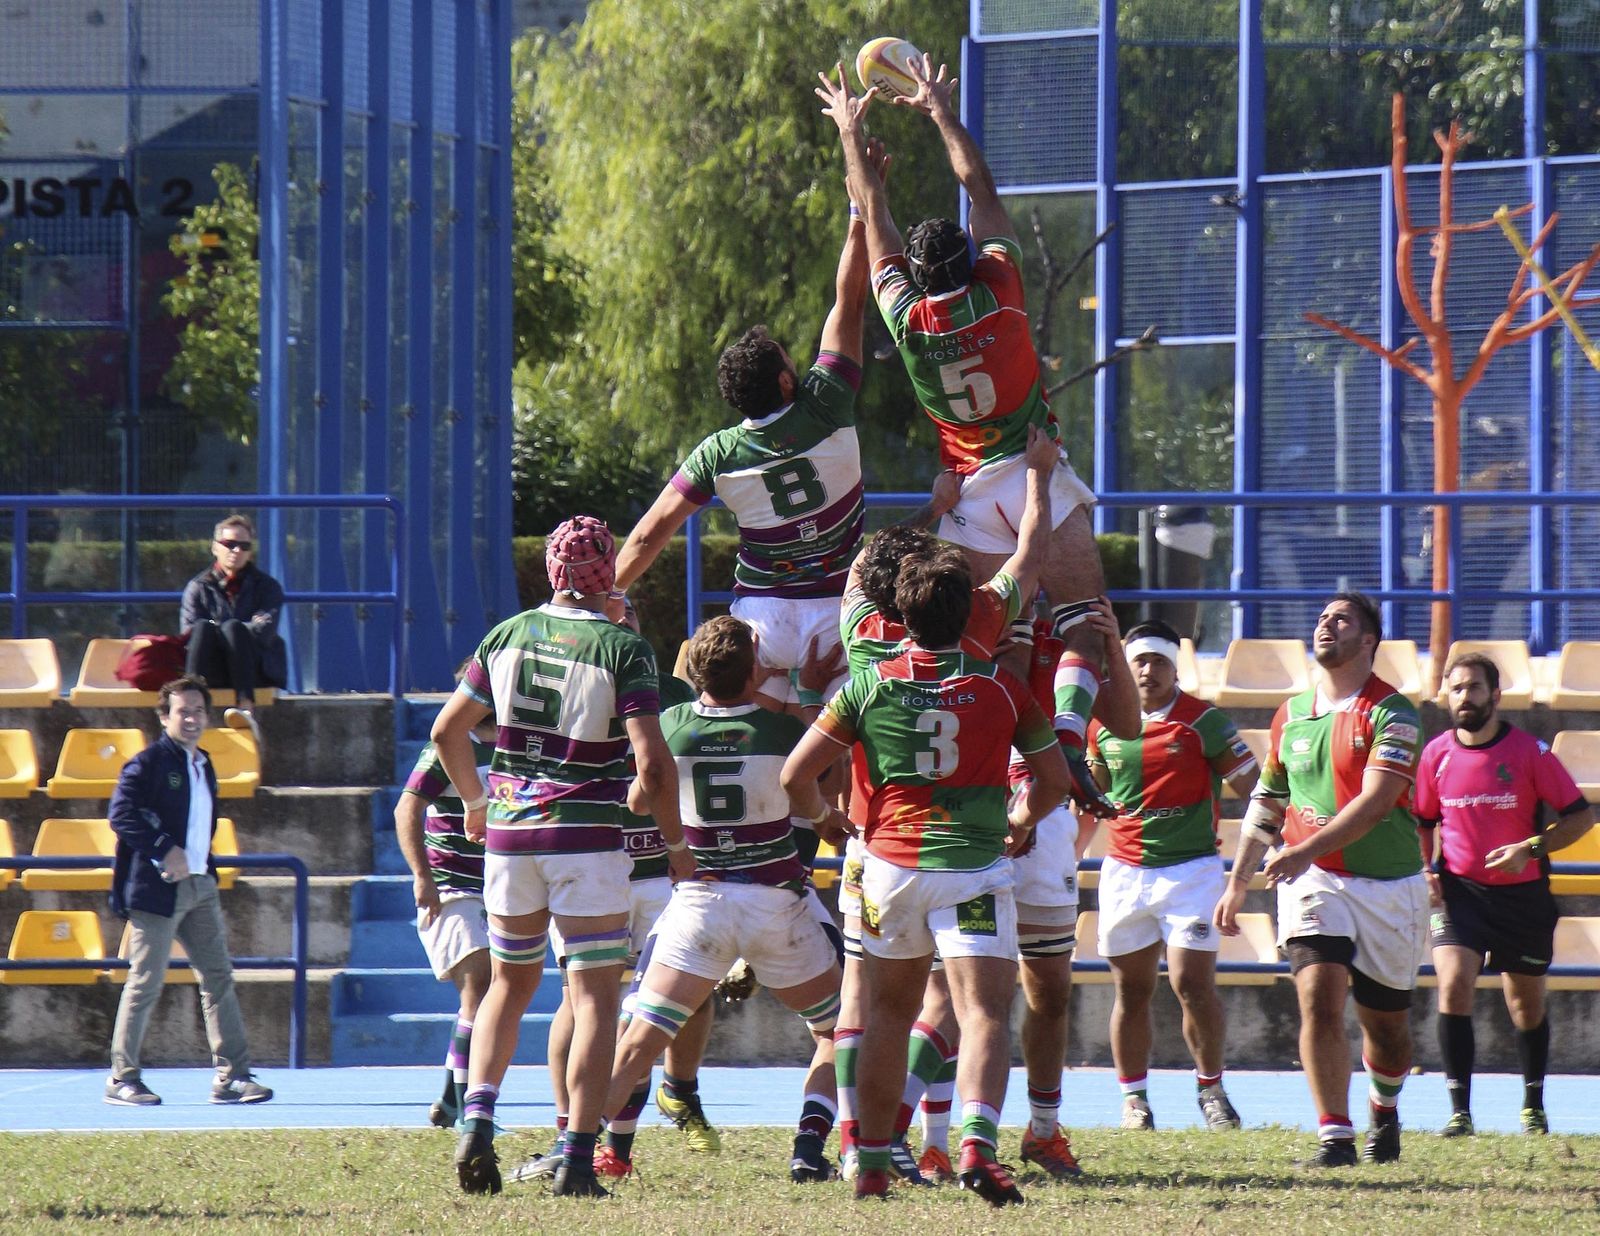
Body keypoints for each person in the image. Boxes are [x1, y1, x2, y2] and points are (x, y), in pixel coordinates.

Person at [816, 58, 1115, 815]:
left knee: (991, 640)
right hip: (1035, 462)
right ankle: (1069, 741)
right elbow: (980, 188)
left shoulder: (908, 325)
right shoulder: (1004, 292)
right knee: (1086, 619)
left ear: (917, 277)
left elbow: (874, 217)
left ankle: (1009, 774)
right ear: (974, 262)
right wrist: (939, 111)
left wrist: (853, 138)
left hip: (968, 493)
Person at [783, 552, 1072, 1206]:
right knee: (984, 1013)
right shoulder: (1001, 685)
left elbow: (793, 776)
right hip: (971, 871)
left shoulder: (870, 685)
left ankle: (874, 1157)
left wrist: (826, 820)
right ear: (968, 611)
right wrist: (1020, 821)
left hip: (888, 871)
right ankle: (974, 1144)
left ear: (901, 613)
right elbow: (1052, 781)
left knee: (886, 1013)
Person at [430, 515, 693, 1198]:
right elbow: (653, 767)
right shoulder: (620, 647)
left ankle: (477, 1122)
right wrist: (673, 845)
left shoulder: (506, 634)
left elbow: (446, 731)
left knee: (506, 989)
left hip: (511, 839)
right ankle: (578, 1157)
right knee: (595, 996)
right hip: (585, 837)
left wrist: (476, 801)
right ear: (609, 576)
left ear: (549, 570)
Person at [610, 145, 888, 712]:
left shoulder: (718, 454)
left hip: (761, 622)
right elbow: (850, 301)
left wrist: (599, 602)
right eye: (791, 361)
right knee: (830, 752)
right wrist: (861, 211)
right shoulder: (828, 403)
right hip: (838, 610)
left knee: (744, 736)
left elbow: (646, 536)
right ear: (788, 383)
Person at [599, 617, 845, 1181]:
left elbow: (639, 801)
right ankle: (809, 1149)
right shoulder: (784, 731)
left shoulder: (670, 724)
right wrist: (807, 693)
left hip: (700, 901)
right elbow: (818, 783)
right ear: (756, 668)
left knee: (638, 1042)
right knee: (838, 1032)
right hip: (776, 901)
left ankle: (588, 1151)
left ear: (694, 670)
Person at [1215, 592, 1426, 1168]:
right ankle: (1335, 1136)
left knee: (1386, 1028)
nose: (1325, 625)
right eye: (1322, 618)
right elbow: (1267, 799)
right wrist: (1238, 880)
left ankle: (1384, 1108)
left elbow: (1379, 801)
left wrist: (1302, 849)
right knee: (1319, 998)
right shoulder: (1290, 714)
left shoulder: (1395, 713)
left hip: (1388, 886)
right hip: (1314, 881)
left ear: (1368, 641)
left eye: (1341, 619)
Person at [1085, 619, 1257, 1132]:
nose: (1147, 670)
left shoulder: (1204, 722)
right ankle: (1134, 1099)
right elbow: (1091, 797)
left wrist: (1269, 848)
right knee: (1131, 990)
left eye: (1159, 661)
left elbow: (1255, 789)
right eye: (1138, 660)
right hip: (1124, 873)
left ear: (1174, 667)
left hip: (1192, 874)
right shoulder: (1103, 724)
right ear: (1123, 666)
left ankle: (1211, 1088)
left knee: (1191, 983)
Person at [1417, 651, 1595, 1138]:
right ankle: (1459, 1112)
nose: (1465, 697)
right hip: (1460, 895)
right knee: (1452, 985)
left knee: (1526, 1005)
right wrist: (1425, 870)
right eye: (1456, 689)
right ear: (1445, 696)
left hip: (1523, 897)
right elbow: (1423, 822)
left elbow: (1581, 817)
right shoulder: (1435, 754)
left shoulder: (1530, 753)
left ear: (1495, 696)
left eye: (1474, 688)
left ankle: (1533, 1104)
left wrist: (1531, 848)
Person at [104, 675, 272, 1108]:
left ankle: (232, 1076)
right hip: (157, 890)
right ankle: (122, 1077)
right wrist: (164, 849)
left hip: (200, 886)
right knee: (145, 982)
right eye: (183, 711)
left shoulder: (204, 763)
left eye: (199, 711)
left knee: (218, 978)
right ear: (165, 717)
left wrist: (201, 867)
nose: (193, 719)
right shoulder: (146, 764)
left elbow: (204, 823)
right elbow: (120, 814)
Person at [394, 664, 494, 1130]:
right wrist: (421, 876)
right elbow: (407, 807)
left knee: (490, 996)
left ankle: (454, 1100)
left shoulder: (521, 745)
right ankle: (469, 1109)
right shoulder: (452, 747)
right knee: (481, 984)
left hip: (506, 887)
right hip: (453, 883)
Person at [180, 514, 288, 727]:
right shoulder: (198, 587)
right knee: (203, 628)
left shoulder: (268, 587)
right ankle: (187, 707)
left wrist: (228, 631)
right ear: (215, 548)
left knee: (232, 628)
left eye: (244, 546)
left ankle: (245, 707)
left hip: (255, 669)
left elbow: (264, 634)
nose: (237, 550)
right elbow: (189, 635)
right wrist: (226, 630)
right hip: (213, 669)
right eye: (230, 544)